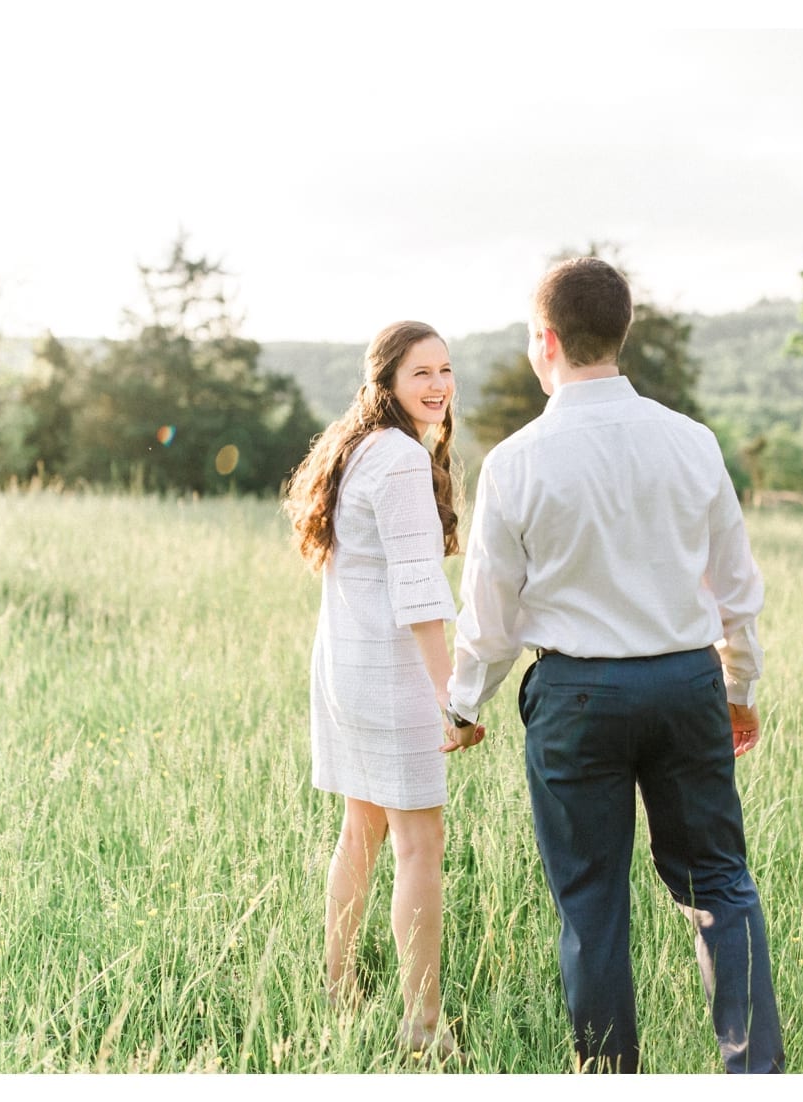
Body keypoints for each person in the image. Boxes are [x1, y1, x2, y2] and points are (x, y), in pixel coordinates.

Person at [442, 258, 784, 1074]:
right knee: (720, 887)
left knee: (591, 909)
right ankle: (757, 1076)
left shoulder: (517, 462)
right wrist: (738, 686)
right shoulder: (692, 441)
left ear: (546, 341)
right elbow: (734, 584)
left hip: (577, 698)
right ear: (620, 334)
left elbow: (491, 614)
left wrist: (461, 704)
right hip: (685, 686)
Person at [283, 320, 485, 1063]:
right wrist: (454, 699)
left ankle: (338, 991)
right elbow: (419, 593)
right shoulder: (398, 459)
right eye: (419, 374)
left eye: (445, 370)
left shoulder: (356, 449)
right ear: (387, 385)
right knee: (419, 846)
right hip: (391, 677)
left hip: (346, 672)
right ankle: (423, 1027)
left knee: (360, 831)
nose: (437, 385)